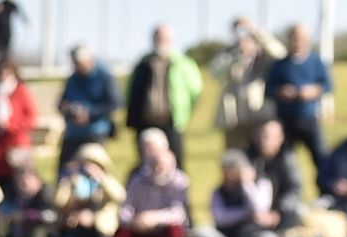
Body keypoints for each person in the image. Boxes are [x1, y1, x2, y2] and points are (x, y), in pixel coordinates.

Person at [102, 127, 189, 237]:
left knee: (173, 231)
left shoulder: (179, 181)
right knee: (120, 235)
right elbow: (125, 209)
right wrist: (135, 221)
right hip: (139, 229)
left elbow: (179, 213)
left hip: (163, 230)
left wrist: (155, 218)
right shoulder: (138, 179)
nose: (158, 168)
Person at [35, 142, 123, 237]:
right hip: (73, 224)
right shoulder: (75, 181)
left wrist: (101, 178)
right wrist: (65, 182)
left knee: (81, 236)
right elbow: (59, 202)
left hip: (99, 228)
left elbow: (120, 197)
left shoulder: (107, 182)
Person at [125, 24, 202, 168]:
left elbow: (195, 91)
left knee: (175, 161)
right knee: (145, 163)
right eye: (158, 37)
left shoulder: (182, 63)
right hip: (146, 121)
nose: (161, 41)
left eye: (165, 38)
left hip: (171, 121)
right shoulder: (143, 63)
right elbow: (130, 91)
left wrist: (184, 112)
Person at [267, 21, 332, 175]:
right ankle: (286, 195)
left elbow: (327, 85)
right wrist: (281, 92)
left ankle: (326, 193)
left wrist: (312, 91)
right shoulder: (280, 64)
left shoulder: (316, 61)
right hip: (285, 120)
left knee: (321, 158)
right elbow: (268, 90)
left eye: (301, 38)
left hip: (309, 118)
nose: (297, 41)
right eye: (294, 38)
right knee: (283, 161)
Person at [213, 18, 284, 149]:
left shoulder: (263, 53)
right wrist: (237, 54)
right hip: (234, 116)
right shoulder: (229, 52)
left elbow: (281, 55)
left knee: (258, 151)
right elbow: (215, 71)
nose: (243, 34)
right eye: (239, 30)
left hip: (257, 112)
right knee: (233, 153)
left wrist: (259, 35)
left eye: (246, 30)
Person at [0, 58, 40, 185]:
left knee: (18, 184)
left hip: (16, 147)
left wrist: (9, 126)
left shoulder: (21, 92)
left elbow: (31, 118)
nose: (2, 76)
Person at [57, 44, 120, 168]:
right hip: (72, 133)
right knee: (66, 170)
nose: (76, 66)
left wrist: (89, 114)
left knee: (92, 170)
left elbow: (114, 104)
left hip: (95, 133)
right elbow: (63, 101)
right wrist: (66, 108)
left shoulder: (104, 76)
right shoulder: (72, 79)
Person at [252, 115, 306, 226]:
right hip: (253, 215)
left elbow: (294, 190)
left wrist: (278, 212)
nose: (263, 141)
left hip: (280, 214)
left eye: (267, 137)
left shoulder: (287, 161)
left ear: (280, 138)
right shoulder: (249, 159)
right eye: (261, 136)